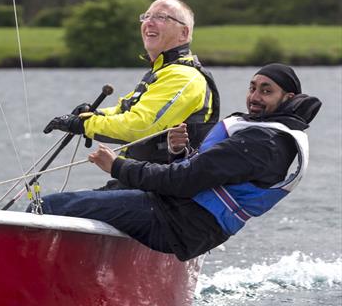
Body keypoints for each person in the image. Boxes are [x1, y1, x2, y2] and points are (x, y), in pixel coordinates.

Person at [34, 64, 321, 261]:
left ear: (288, 98)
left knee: (49, 207)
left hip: (177, 222)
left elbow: (184, 181)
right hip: (188, 220)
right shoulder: (268, 133)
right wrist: (179, 152)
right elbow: (205, 175)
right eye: (252, 88)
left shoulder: (263, 142)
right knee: (98, 199)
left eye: (266, 91)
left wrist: (117, 166)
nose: (254, 98)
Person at [44, 0, 221, 169]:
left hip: (165, 190)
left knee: (55, 201)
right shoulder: (162, 72)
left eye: (161, 17)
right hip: (139, 179)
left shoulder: (184, 76)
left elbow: (140, 126)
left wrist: (83, 125)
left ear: (184, 33)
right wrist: (92, 114)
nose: (149, 22)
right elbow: (124, 111)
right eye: (146, 16)